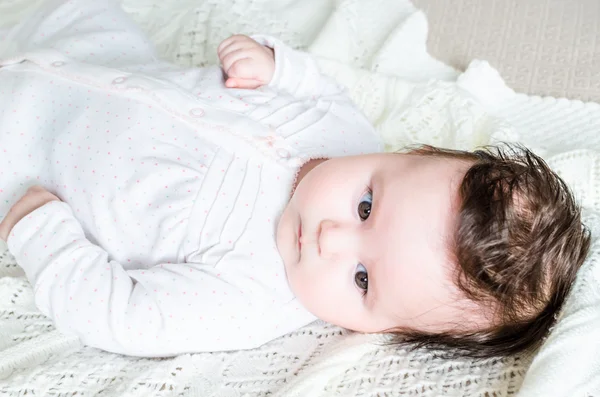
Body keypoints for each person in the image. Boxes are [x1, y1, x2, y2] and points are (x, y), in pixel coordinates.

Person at [0, 0, 590, 359]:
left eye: (362, 279)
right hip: (103, 60)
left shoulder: (248, 300)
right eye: (365, 207)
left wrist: (44, 237)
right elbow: (317, 88)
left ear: (383, 327)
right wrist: (275, 64)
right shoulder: (346, 133)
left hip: (27, 158)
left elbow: (126, 317)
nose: (330, 239)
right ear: (410, 152)